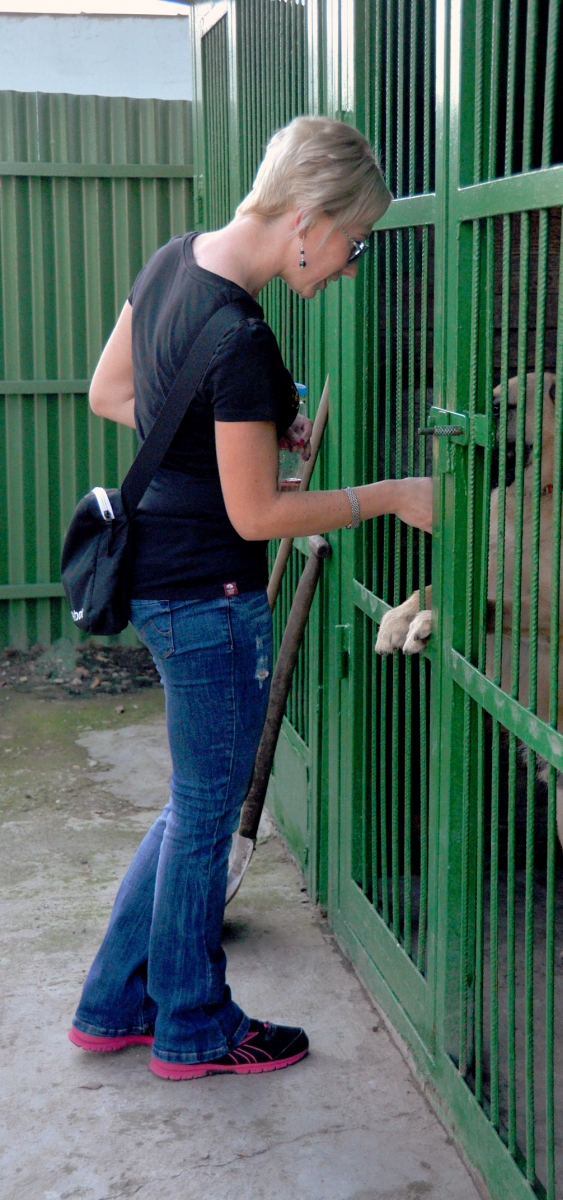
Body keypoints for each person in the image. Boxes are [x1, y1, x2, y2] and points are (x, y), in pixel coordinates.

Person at [68, 116, 433, 1081]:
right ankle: (193, 1023)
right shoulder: (240, 334)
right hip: (207, 591)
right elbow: (259, 512)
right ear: (307, 220)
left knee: (189, 807)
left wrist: (251, 431)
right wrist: (390, 496)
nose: (349, 266)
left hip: (156, 576)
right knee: (204, 815)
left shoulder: (170, 263)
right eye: (352, 243)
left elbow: (111, 392)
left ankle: (113, 1003)